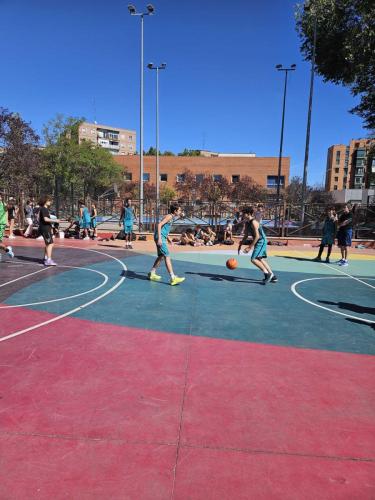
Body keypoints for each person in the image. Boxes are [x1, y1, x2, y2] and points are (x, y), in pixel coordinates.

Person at [238, 206, 277, 284]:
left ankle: (267, 274)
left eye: (243, 214)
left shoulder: (254, 222)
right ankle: (272, 276)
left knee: (253, 259)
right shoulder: (247, 223)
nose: (242, 215)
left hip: (261, 241)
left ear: (248, 214)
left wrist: (249, 247)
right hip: (258, 241)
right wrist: (240, 245)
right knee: (260, 258)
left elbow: (257, 236)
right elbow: (245, 235)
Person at [148, 203, 185, 285]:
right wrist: (160, 239)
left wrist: (168, 239)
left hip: (162, 237)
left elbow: (164, 228)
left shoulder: (172, 217)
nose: (180, 212)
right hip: (160, 238)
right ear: (175, 211)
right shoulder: (169, 217)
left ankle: (152, 273)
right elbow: (159, 225)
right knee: (167, 256)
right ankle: (173, 278)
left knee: (161, 256)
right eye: (179, 210)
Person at [38, 195, 59, 266]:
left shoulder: (44, 209)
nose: (50, 202)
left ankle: (46, 258)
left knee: (48, 243)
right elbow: (45, 219)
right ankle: (48, 260)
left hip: (46, 228)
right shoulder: (44, 209)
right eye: (49, 200)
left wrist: (51, 227)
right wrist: (55, 220)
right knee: (50, 244)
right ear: (45, 201)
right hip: (45, 228)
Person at [0, 193, 14, 258]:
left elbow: (9, 207)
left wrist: (10, 200)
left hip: (1, 225)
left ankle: (7, 249)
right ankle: (7, 249)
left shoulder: (3, 204)